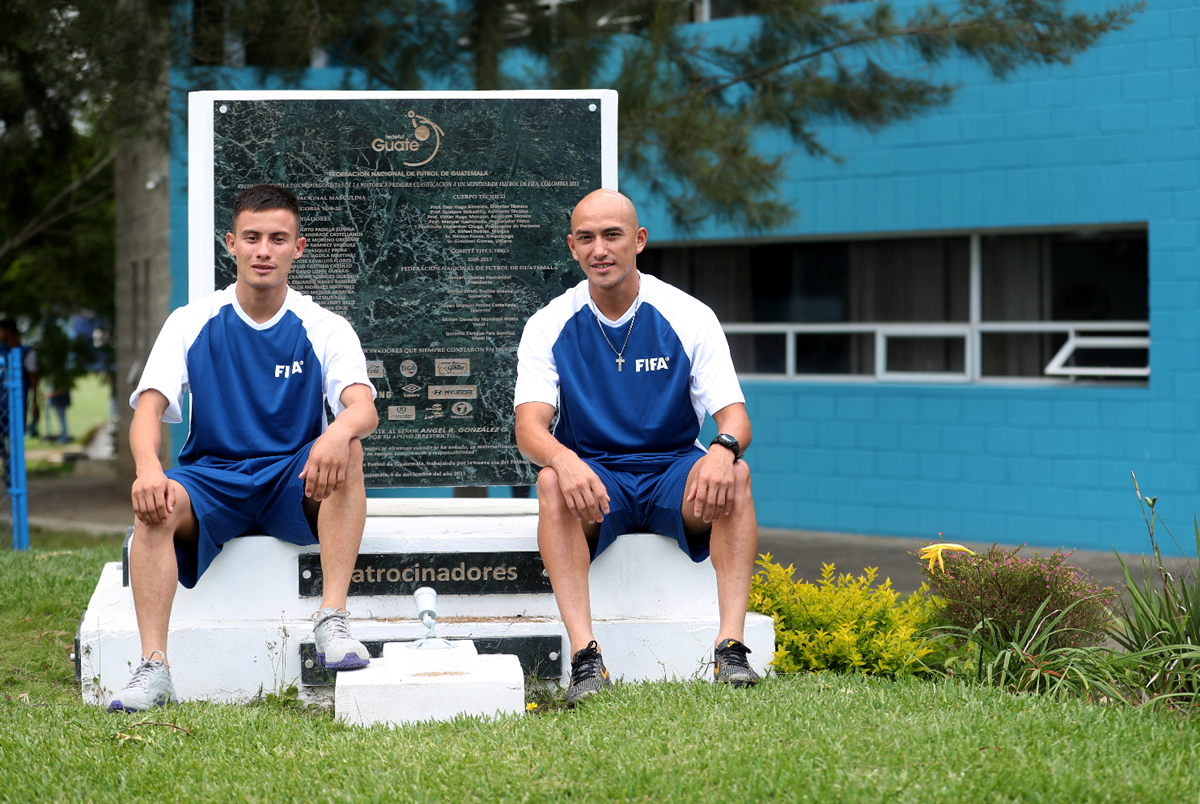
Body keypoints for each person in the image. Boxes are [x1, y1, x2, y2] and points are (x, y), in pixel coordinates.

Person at [111, 184, 379, 712]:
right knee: (156, 502)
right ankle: (153, 668)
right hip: (214, 478)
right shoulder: (191, 321)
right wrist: (147, 468)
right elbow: (147, 410)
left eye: (278, 239)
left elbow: (363, 408)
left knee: (348, 449)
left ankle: (332, 619)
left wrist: (334, 431)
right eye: (252, 237)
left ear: (297, 249)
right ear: (230, 243)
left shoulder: (324, 326)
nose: (264, 250)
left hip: (291, 479)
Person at [514, 189, 761, 706]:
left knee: (735, 475)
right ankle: (586, 657)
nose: (599, 249)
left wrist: (722, 449)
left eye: (612, 235)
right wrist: (564, 458)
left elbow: (735, 417)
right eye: (586, 238)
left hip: (674, 468)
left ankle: (731, 648)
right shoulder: (549, 323)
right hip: (598, 479)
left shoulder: (688, 314)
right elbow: (530, 428)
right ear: (572, 248)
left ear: (639, 241)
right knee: (551, 480)